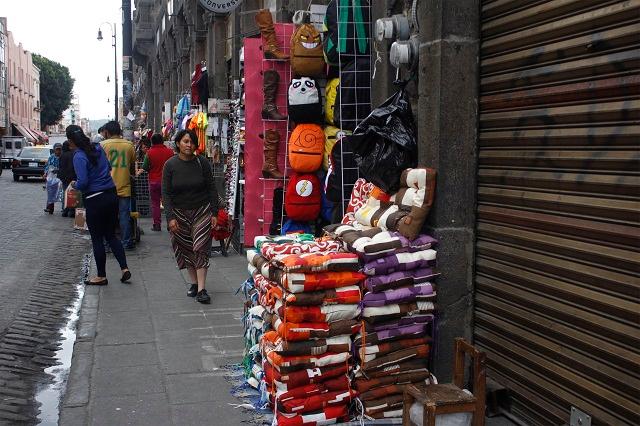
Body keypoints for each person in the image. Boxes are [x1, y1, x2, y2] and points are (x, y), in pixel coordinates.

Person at [67, 125, 131, 285]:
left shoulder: (79, 156)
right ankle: (124, 268)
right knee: (111, 235)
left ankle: (101, 276)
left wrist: (74, 184)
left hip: (95, 199)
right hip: (111, 194)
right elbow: (109, 168)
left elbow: (84, 182)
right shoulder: (98, 148)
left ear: (70, 141)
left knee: (97, 238)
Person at [162, 129, 218, 304]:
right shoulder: (170, 165)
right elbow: (166, 193)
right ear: (178, 143)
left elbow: (212, 188)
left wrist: (214, 213)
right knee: (186, 249)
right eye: (186, 141)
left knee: (200, 247)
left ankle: (202, 289)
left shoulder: (202, 163)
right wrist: (170, 217)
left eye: (192, 142)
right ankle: (194, 283)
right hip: (179, 213)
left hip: (202, 210)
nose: (189, 145)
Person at [102, 121, 137, 250]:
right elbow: (132, 164)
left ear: (107, 132)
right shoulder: (129, 145)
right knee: (124, 216)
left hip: (106, 187)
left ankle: (107, 244)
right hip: (124, 186)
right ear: (120, 131)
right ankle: (126, 242)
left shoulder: (102, 145)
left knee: (107, 216)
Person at [138, 133, 174, 231]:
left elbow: (145, 167)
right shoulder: (170, 152)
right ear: (162, 141)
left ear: (152, 142)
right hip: (167, 182)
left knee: (155, 204)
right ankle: (170, 224)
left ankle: (157, 225)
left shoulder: (149, 153)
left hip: (154, 181)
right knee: (168, 203)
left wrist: (151, 170)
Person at [58, 141, 77, 217]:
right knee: (72, 194)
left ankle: (65, 210)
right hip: (72, 177)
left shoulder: (62, 155)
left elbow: (61, 167)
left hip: (64, 177)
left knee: (66, 193)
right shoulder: (73, 154)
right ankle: (71, 211)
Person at [43, 143, 62, 214]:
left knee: (61, 193)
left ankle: (64, 208)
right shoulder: (51, 157)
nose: (58, 151)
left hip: (60, 177)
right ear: (54, 150)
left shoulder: (63, 157)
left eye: (60, 149)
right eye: (57, 149)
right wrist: (45, 173)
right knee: (50, 192)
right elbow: (47, 166)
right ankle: (50, 208)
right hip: (51, 177)